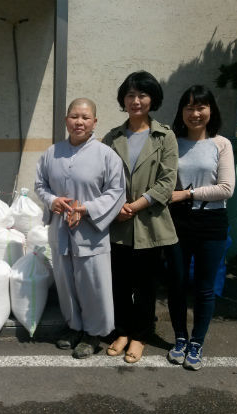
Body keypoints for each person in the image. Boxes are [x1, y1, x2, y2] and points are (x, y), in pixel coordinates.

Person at [35, 98, 126, 359]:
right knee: (65, 282)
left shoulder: (106, 155)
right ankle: (73, 326)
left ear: (95, 122)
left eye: (85, 118)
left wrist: (86, 209)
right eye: (74, 116)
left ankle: (94, 333)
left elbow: (117, 191)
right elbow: (40, 184)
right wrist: (52, 201)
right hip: (60, 230)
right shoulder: (51, 153)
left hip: (90, 232)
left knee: (93, 284)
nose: (79, 122)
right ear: (66, 120)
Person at [102, 71, 178, 363]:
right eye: (130, 95)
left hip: (149, 223)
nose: (136, 100)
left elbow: (167, 182)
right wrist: (116, 206)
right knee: (119, 283)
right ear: (123, 99)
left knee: (145, 285)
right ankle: (122, 331)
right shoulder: (112, 137)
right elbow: (101, 178)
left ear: (152, 99)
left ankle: (140, 335)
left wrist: (132, 207)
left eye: (142, 95)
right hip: (118, 223)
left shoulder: (164, 136)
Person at [165, 85, 235, 370]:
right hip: (177, 222)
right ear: (181, 112)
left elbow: (226, 188)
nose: (195, 113)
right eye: (189, 107)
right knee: (177, 284)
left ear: (211, 110)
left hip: (211, 223)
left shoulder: (222, 144)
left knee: (205, 288)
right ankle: (180, 338)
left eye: (201, 107)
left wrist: (188, 193)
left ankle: (197, 343)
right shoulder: (172, 142)